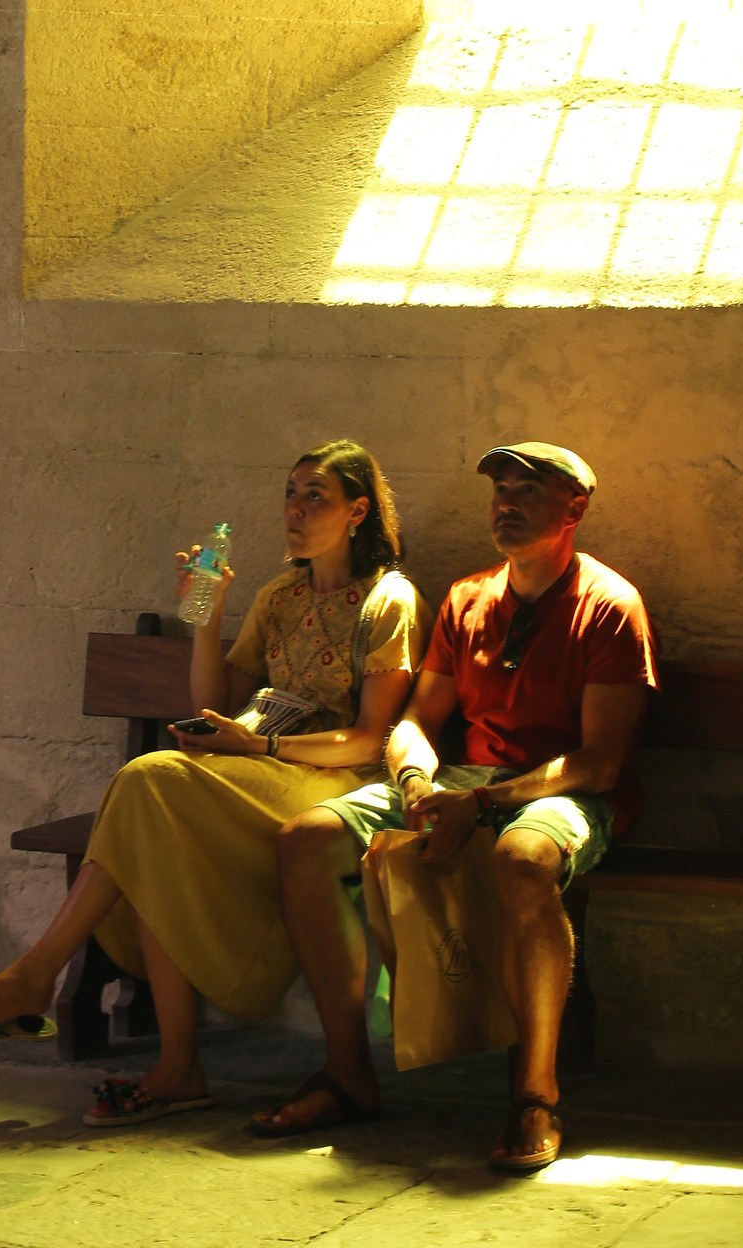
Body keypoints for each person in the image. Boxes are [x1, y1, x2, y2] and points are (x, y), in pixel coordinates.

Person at [0, 440, 429, 1129]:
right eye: (290, 493)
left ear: (358, 511)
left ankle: (39, 976)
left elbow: (371, 739)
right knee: (156, 822)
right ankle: (175, 1067)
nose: (296, 510)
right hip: (254, 766)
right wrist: (206, 617)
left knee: (148, 780)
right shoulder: (280, 595)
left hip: (330, 777)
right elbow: (213, 694)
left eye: (316, 496)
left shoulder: (388, 600)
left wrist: (256, 742)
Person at [256, 441, 656, 1174]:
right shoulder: (471, 598)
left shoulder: (610, 607)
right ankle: (347, 1074)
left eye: (527, 492)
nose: (505, 503)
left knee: (523, 857)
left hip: (560, 790)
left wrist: (484, 802)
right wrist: (413, 784)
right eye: (499, 489)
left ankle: (534, 1094)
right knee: (307, 838)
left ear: (575, 509)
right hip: (465, 780)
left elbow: (598, 761)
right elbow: (416, 721)